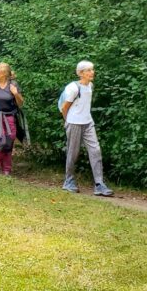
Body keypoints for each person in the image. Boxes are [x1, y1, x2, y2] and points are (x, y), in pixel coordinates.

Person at [61, 61, 114, 196]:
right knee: (73, 153)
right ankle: (69, 181)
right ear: (81, 73)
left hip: (88, 123)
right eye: (88, 70)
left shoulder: (90, 85)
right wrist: (67, 121)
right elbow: (64, 107)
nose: (92, 72)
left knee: (95, 151)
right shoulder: (73, 88)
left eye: (92, 70)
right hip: (73, 123)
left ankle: (99, 184)